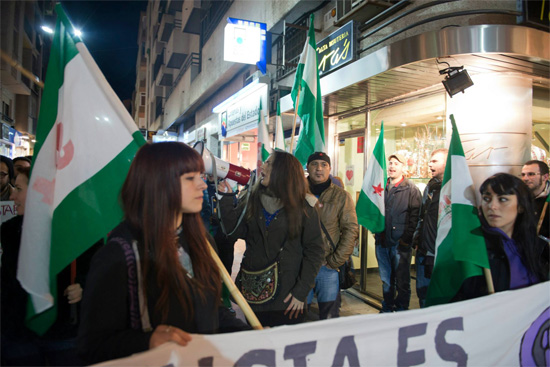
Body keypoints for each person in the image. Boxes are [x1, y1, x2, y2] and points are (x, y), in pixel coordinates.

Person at [77, 142, 249, 365]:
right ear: (158, 184)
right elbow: (91, 346)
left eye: (201, 175)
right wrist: (147, 341)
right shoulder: (120, 255)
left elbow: (212, 309)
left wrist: (250, 335)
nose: (203, 185)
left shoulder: (202, 242)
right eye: (190, 178)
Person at [218, 150, 324, 327]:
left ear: (283, 171)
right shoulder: (252, 198)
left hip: (288, 296)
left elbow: (315, 251)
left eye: (269, 163)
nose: (263, 167)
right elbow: (233, 232)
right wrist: (226, 199)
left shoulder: (305, 206)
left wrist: (301, 292)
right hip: (254, 291)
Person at [1, 167, 90, 366]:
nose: (13, 195)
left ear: (39, 192)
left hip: (61, 333)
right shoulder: (9, 230)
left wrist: (82, 286)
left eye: (19, 189)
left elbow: (94, 268)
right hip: (18, 334)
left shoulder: (74, 231)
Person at [454, 173, 549, 300]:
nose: (492, 206)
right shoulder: (475, 249)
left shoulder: (538, 247)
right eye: (487, 199)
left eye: (502, 199)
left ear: (521, 206)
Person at [305, 152, 358, 319]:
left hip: (327, 267)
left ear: (329, 168)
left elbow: (351, 229)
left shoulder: (341, 196)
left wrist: (335, 261)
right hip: (301, 266)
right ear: (308, 167)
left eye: (323, 165)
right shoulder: (295, 193)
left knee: (329, 317)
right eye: (314, 164)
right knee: (297, 317)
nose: (319, 169)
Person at [374, 153, 421, 312]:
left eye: (396, 163)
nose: (392, 166)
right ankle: (387, 308)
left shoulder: (411, 189)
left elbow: (415, 216)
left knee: (402, 281)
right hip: (382, 242)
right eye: (390, 163)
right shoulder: (379, 188)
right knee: (386, 280)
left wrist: (406, 240)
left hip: (400, 244)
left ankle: (401, 310)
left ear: (403, 167)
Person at [413, 148, 447, 308]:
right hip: (424, 251)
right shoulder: (431, 186)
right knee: (423, 293)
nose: (429, 164)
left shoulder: (453, 188)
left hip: (440, 254)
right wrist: (417, 239)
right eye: (430, 160)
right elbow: (422, 215)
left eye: (434, 161)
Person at [521, 160, 549, 238]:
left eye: (531, 174)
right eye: (523, 175)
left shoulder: (548, 200)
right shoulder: (518, 198)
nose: (525, 178)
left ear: (545, 177)